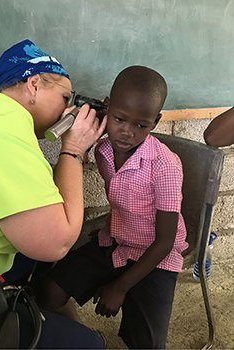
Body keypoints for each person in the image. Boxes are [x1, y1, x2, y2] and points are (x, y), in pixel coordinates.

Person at [0, 39, 107, 349]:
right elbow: (57, 241)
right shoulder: (3, 123)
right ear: (34, 84)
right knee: (86, 345)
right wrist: (74, 149)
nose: (67, 110)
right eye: (65, 97)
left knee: (31, 265)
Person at [39, 65, 189, 349]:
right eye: (119, 119)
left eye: (141, 125)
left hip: (154, 254)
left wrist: (120, 287)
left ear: (155, 122)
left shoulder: (165, 166)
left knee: (146, 343)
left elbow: (166, 241)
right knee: (49, 291)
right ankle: (80, 340)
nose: (127, 132)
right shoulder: (104, 151)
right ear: (107, 108)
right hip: (117, 241)